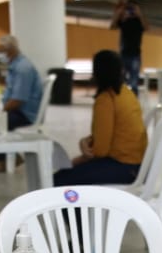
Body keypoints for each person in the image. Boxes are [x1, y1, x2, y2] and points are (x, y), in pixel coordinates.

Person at [53, 50, 147, 186]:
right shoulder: (126, 93)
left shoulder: (106, 100)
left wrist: (80, 159)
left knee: (58, 181)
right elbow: (111, 133)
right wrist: (86, 141)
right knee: (70, 174)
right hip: (138, 166)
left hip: (123, 167)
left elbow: (100, 151)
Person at [0, 34, 43, 172]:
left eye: (1, 51)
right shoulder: (15, 66)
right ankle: (4, 158)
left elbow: (18, 100)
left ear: (11, 50)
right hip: (18, 110)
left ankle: (2, 160)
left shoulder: (22, 68)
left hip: (25, 114)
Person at [110, 0, 148, 93]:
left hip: (135, 54)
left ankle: (134, 97)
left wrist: (139, 14)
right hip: (123, 53)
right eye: (129, 8)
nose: (131, 11)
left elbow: (146, 27)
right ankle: (122, 96)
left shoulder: (139, 21)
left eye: (133, 8)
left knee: (134, 80)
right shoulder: (124, 21)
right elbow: (112, 26)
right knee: (121, 79)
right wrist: (120, 11)